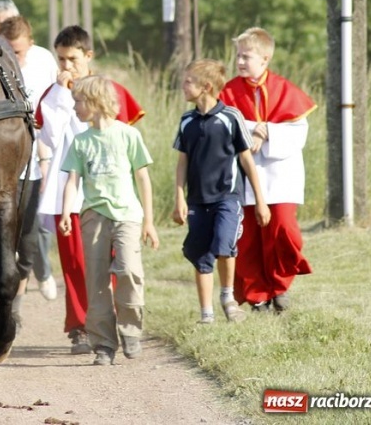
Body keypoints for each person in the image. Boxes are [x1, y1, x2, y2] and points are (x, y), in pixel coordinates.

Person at [36, 25, 144, 354]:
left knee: (116, 262)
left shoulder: (111, 92)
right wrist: (59, 95)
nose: (66, 65)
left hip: (111, 192)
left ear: (88, 56)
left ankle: (118, 323)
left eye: (72, 58)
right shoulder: (52, 94)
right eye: (61, 59)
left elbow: (119, 141)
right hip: (66, 190)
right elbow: (51, 139)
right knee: (76, 265)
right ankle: (80, 326)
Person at [59, 75, 158, 365]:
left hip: (127, 214)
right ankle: (103, 344)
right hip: (94, 215)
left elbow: (143, 178)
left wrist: (149, 221)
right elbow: (72, 180)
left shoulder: (128, 135)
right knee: (97, 279)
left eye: (78, 101)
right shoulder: (80, 142)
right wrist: (67, 212)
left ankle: (130, 330)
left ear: (94, 102)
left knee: (128, 270)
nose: (74, 107)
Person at [220, 28, 315, 312]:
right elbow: (223, 124)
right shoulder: (229, 91)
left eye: (246, 56)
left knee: (284, 231)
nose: (239, 61)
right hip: (244, 176)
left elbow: (298, 131)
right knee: (247, 237)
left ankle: (280, 286)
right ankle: (257, 294)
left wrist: (268, 132)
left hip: (279, 175)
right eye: (238, 55)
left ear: (265, 57)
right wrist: (254, 131)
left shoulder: (285, 89)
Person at [172, 59, 271, 325]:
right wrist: (179, 197)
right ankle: (206, 315)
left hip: (228, 197)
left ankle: (228, 298)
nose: (183, 85)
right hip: (197, 200)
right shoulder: (186, 121)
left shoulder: (231, 117)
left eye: (188, 81)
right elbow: (182, 163)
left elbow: (247, 161)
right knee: (200, 255)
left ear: (205, 86)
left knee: (225, 245)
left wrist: (260, 202)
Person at [0, 15, 59, 315]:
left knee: (29, 241)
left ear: (30, 45)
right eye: (8, 50)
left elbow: (50, 113)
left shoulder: (44, 62)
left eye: (18, 52)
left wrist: (47, 161)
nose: (13, 57)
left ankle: (16, 301)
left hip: (34, 164)